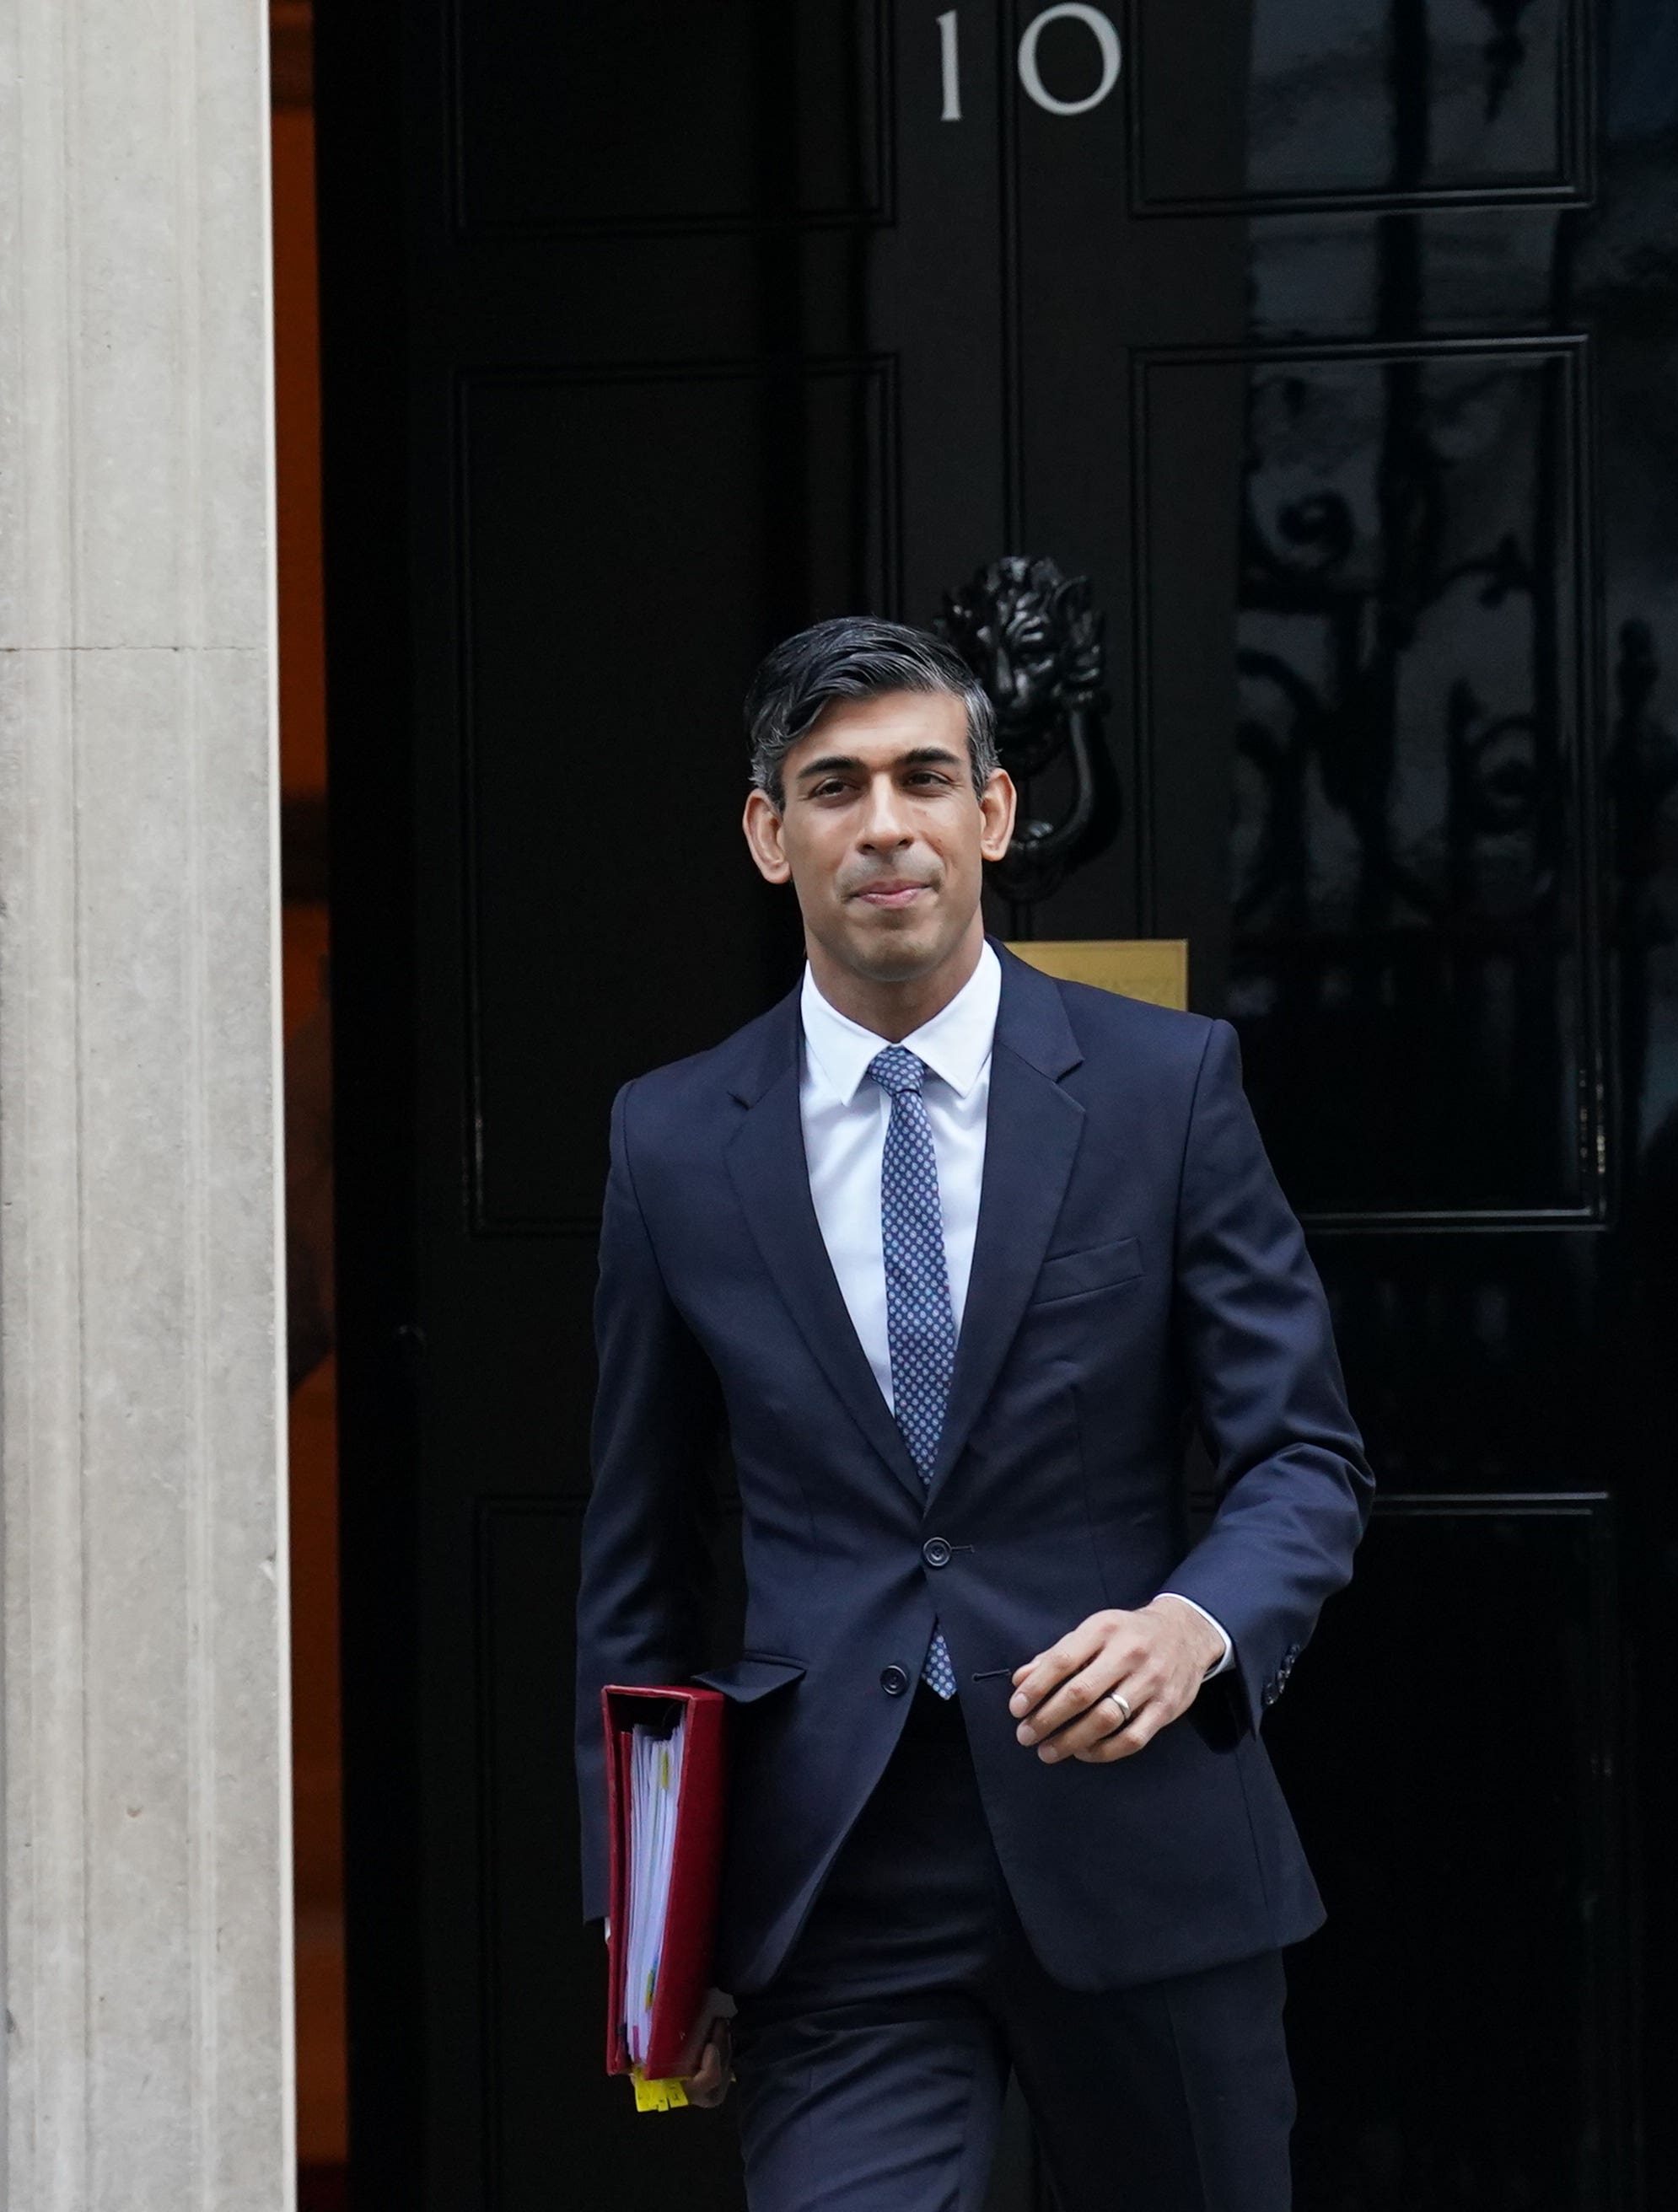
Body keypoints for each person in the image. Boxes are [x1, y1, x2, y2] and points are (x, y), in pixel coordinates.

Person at [574, 616, 1370, 2212]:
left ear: (992, 815)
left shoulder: (1168, 1089)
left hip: (1145, 1846)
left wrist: (1193, 1625)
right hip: (838, 1871)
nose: (886, 824)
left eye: (926, 778)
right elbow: (637, 1561)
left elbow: (1304, 1456)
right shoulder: (671, 1142)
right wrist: (649, 1930)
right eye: (834, 786)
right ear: (767, 833)